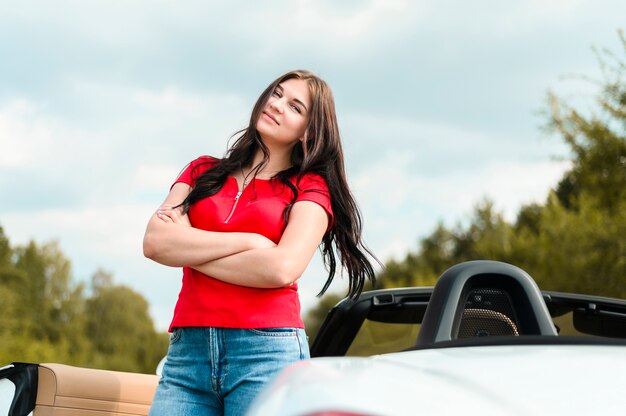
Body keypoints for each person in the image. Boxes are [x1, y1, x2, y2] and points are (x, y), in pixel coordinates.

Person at [143, 69, 378, 416]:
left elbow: (281, 268)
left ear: (308, 132)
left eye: (295, 107)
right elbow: (155, 242)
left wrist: (188, 250)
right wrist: (250, 241)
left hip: (266, 353)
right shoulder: (201, 171)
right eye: (277, 94)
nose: (278, 105)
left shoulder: (311, 188)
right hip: (187, 354)